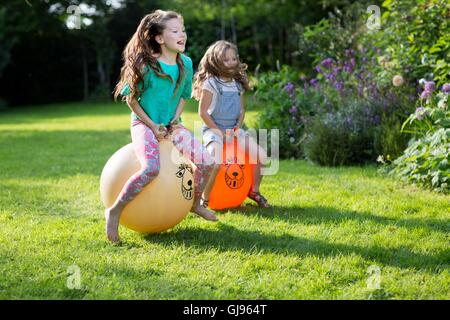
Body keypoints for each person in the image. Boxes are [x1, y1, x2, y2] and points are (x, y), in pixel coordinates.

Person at [108, 10, 218, 244]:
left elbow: (183, 96)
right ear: (159, 38)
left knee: (208, 162)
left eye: (184, 30)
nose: (183, 35)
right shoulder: (146, 65)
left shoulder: (186, 64)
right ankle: (115, 210)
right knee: (151, 169)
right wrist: (152, 125)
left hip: (171, 124)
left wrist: (174, 120)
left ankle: (196, 203)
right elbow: (131, 100)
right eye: (176, 31)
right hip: (144, 124)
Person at [192, 40, 270, 209]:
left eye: (234, 58)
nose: (232, 62)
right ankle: (204, 197)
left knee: (262, 156)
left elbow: (242, 110)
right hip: (213, 129)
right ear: (215, 61)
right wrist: (219, 133)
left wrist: (236, 129)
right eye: (226, 60)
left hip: (234, 130)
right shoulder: (210, 83)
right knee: (216, 162)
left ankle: (254, 191)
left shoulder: (237, 83)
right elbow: (203, 113)